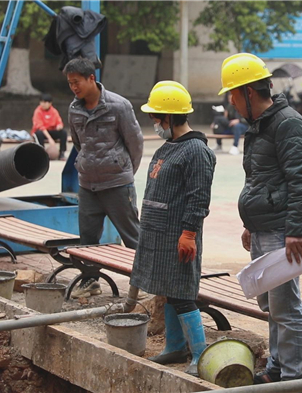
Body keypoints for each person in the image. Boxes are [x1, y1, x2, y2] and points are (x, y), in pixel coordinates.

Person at [218, 53, 302, 384]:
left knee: (286, 308)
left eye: (232, 94)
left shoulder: (288, 124)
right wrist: (250, 223)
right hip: (262, 230)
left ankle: (293, 378)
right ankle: (276, 368)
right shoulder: (260, 127)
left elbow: (301, 180)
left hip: (281, 232)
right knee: (272, 307)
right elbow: (261, 180)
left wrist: (295, 232)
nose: (231, 102)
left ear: (247, 92)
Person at [128, 81, 216, 376]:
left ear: (170, 117)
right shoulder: (169, 147)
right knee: (167, 290)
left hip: (179, 236)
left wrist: (189, 232)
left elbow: (199, 197)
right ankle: (174, 348)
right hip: (158, 235)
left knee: (182, 294)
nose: (153, 122)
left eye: (156, 117)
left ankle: (199, 354)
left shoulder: (196, 151)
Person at [64, 58, 144, 298]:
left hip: (117, 184)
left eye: (76, 82)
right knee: (88, 238)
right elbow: (78, 144)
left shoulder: (119, 106)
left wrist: (124, 170)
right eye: (70, 84)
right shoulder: (74, 109)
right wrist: (85, 165)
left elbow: (135, 143)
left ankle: (142, 283)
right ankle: (90, 282)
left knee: (131, 235)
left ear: (91, 78)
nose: (74, 88)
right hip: (88, 184)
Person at [32, 93, 67, 160]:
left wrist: (59, 126)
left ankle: (62, 154)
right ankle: (41, 154)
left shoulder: (54, 111)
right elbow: (41, 127)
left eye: (45, 102)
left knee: (63, 133)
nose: (43, 104)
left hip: (51, 130)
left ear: (50, 103)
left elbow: (59, 122)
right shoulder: (38, 111)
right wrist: (50, 139)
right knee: (39, 133)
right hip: (42, 132)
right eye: (41, 102)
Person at [211, 91, 248, 155]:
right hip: (231, 126)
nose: (230, 99)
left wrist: (239, 120)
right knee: (217, 123)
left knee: (237, 126)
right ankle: (219, 145)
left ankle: (235, 146)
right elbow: (226, 119)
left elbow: (248, 119)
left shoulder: (243, 105)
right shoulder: (229, 106)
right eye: (229, 97)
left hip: (243, 126)